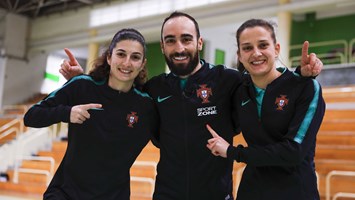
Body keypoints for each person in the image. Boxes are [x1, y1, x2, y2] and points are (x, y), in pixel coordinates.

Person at [59, 11, 323, 200]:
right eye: (171, 40)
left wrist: (300, 74)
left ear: (198, 42)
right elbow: (116, 96)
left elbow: (267, 79)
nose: (179, 47)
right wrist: (84, 82)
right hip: (167, 193)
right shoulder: (154, 88)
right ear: (162, 47)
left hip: (217, 193)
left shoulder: (229, 80)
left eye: (186, 39)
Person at [24, 28, 158, 200]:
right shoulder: (82, 85)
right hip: (65, 193)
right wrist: (67, 112)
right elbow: (31, 116)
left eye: (135, 57)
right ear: (109, 57)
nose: (127, 63)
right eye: (121, 54)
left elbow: (168, 138)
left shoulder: (146, 105)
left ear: (142, 63)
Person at [206, 18, 325, 200]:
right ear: (239, 55)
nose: (256, 53)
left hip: (296, 192)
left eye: (263, 45)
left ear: (276, 49)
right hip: (252, 192)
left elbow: (293, 152)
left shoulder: (306, 87)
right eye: (247, 48)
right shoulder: (239, 92)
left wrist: (232, 152)